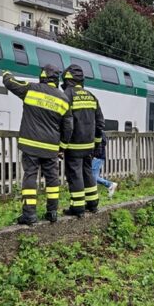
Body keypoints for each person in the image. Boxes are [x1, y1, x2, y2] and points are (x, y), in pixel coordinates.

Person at [3, 65, 73, 225]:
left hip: (30, 145)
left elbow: (11, 83)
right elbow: (68, 127)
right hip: (51, 148)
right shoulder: (63, 99)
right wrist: (62, 146)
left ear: (43, 76)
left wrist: (6, 72)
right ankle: (52, 212)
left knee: (30, 177)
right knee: (52, 178)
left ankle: (29, 214)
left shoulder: (31, 89)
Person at [61, 64, 104, 217]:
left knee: (75, 175)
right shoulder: (91, 96)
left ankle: (78, 208)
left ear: (67, 80)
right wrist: (97, 144)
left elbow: (65, 123)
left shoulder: (67, 95)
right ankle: (92, 204)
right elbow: (100, 124)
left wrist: (62, 145)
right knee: (87, 173)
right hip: (89, 146)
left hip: (73, 145)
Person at [91, 131, 118, 198]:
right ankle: (109, 186)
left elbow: (99, 146)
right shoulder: (99, 132)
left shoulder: (98, 133)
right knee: (93, 176)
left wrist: (94, 156)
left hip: (97, 158)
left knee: (93, 177)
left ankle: (110, 185)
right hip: (98, 157)